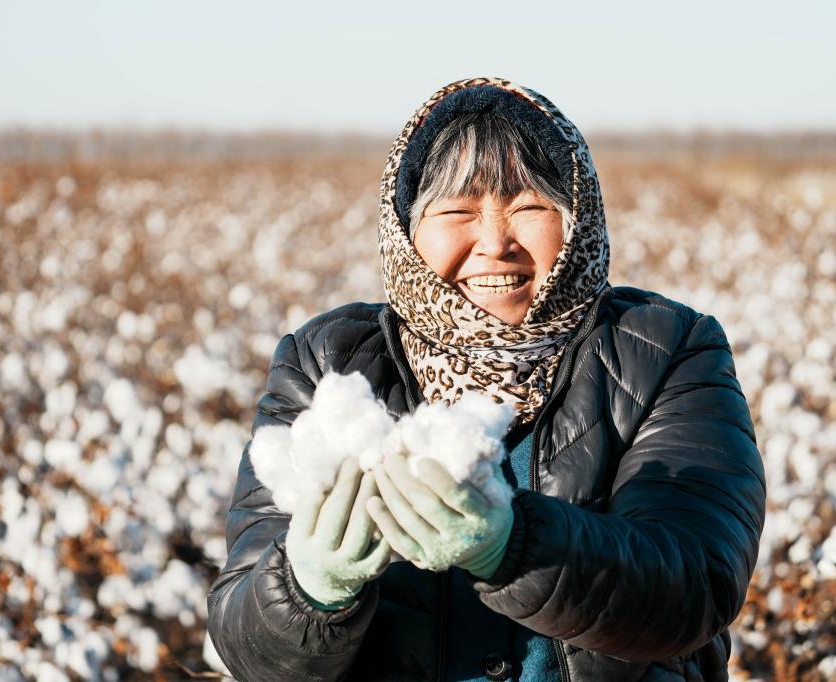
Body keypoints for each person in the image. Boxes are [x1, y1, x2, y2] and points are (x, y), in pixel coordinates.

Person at [206, 76, 767, 681]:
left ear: (576, 221)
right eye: (458, 211)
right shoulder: (326, 363)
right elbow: (246, 642)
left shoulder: (667, 351)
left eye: (528, 207)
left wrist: (514, 546)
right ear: (406, 232)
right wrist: (308, 590)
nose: (496, 243)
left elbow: (695, 582)